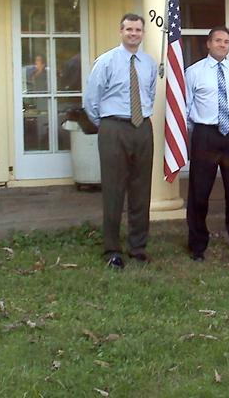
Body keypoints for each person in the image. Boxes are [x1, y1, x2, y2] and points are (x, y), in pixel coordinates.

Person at [83, 13, 158, 270]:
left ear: (143, 33)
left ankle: (138, 246)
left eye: (138, 30)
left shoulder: (148, 63)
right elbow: (91, 100)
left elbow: (149, 94)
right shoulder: (106, 62)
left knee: (141, 189)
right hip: (114, 127)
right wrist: (107, 125)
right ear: (121, 31)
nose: (133, 33)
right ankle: (112, 249)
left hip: (142, 128)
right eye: (129, 29)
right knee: (114, 190)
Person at [185, 26, 229, 262]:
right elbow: (186, 108)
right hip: (205, 134)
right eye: (218, 41)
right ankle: (197, 244)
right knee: (199, 192)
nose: (222, 45)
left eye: (226, 41)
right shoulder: (193, 72)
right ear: (208, 43)